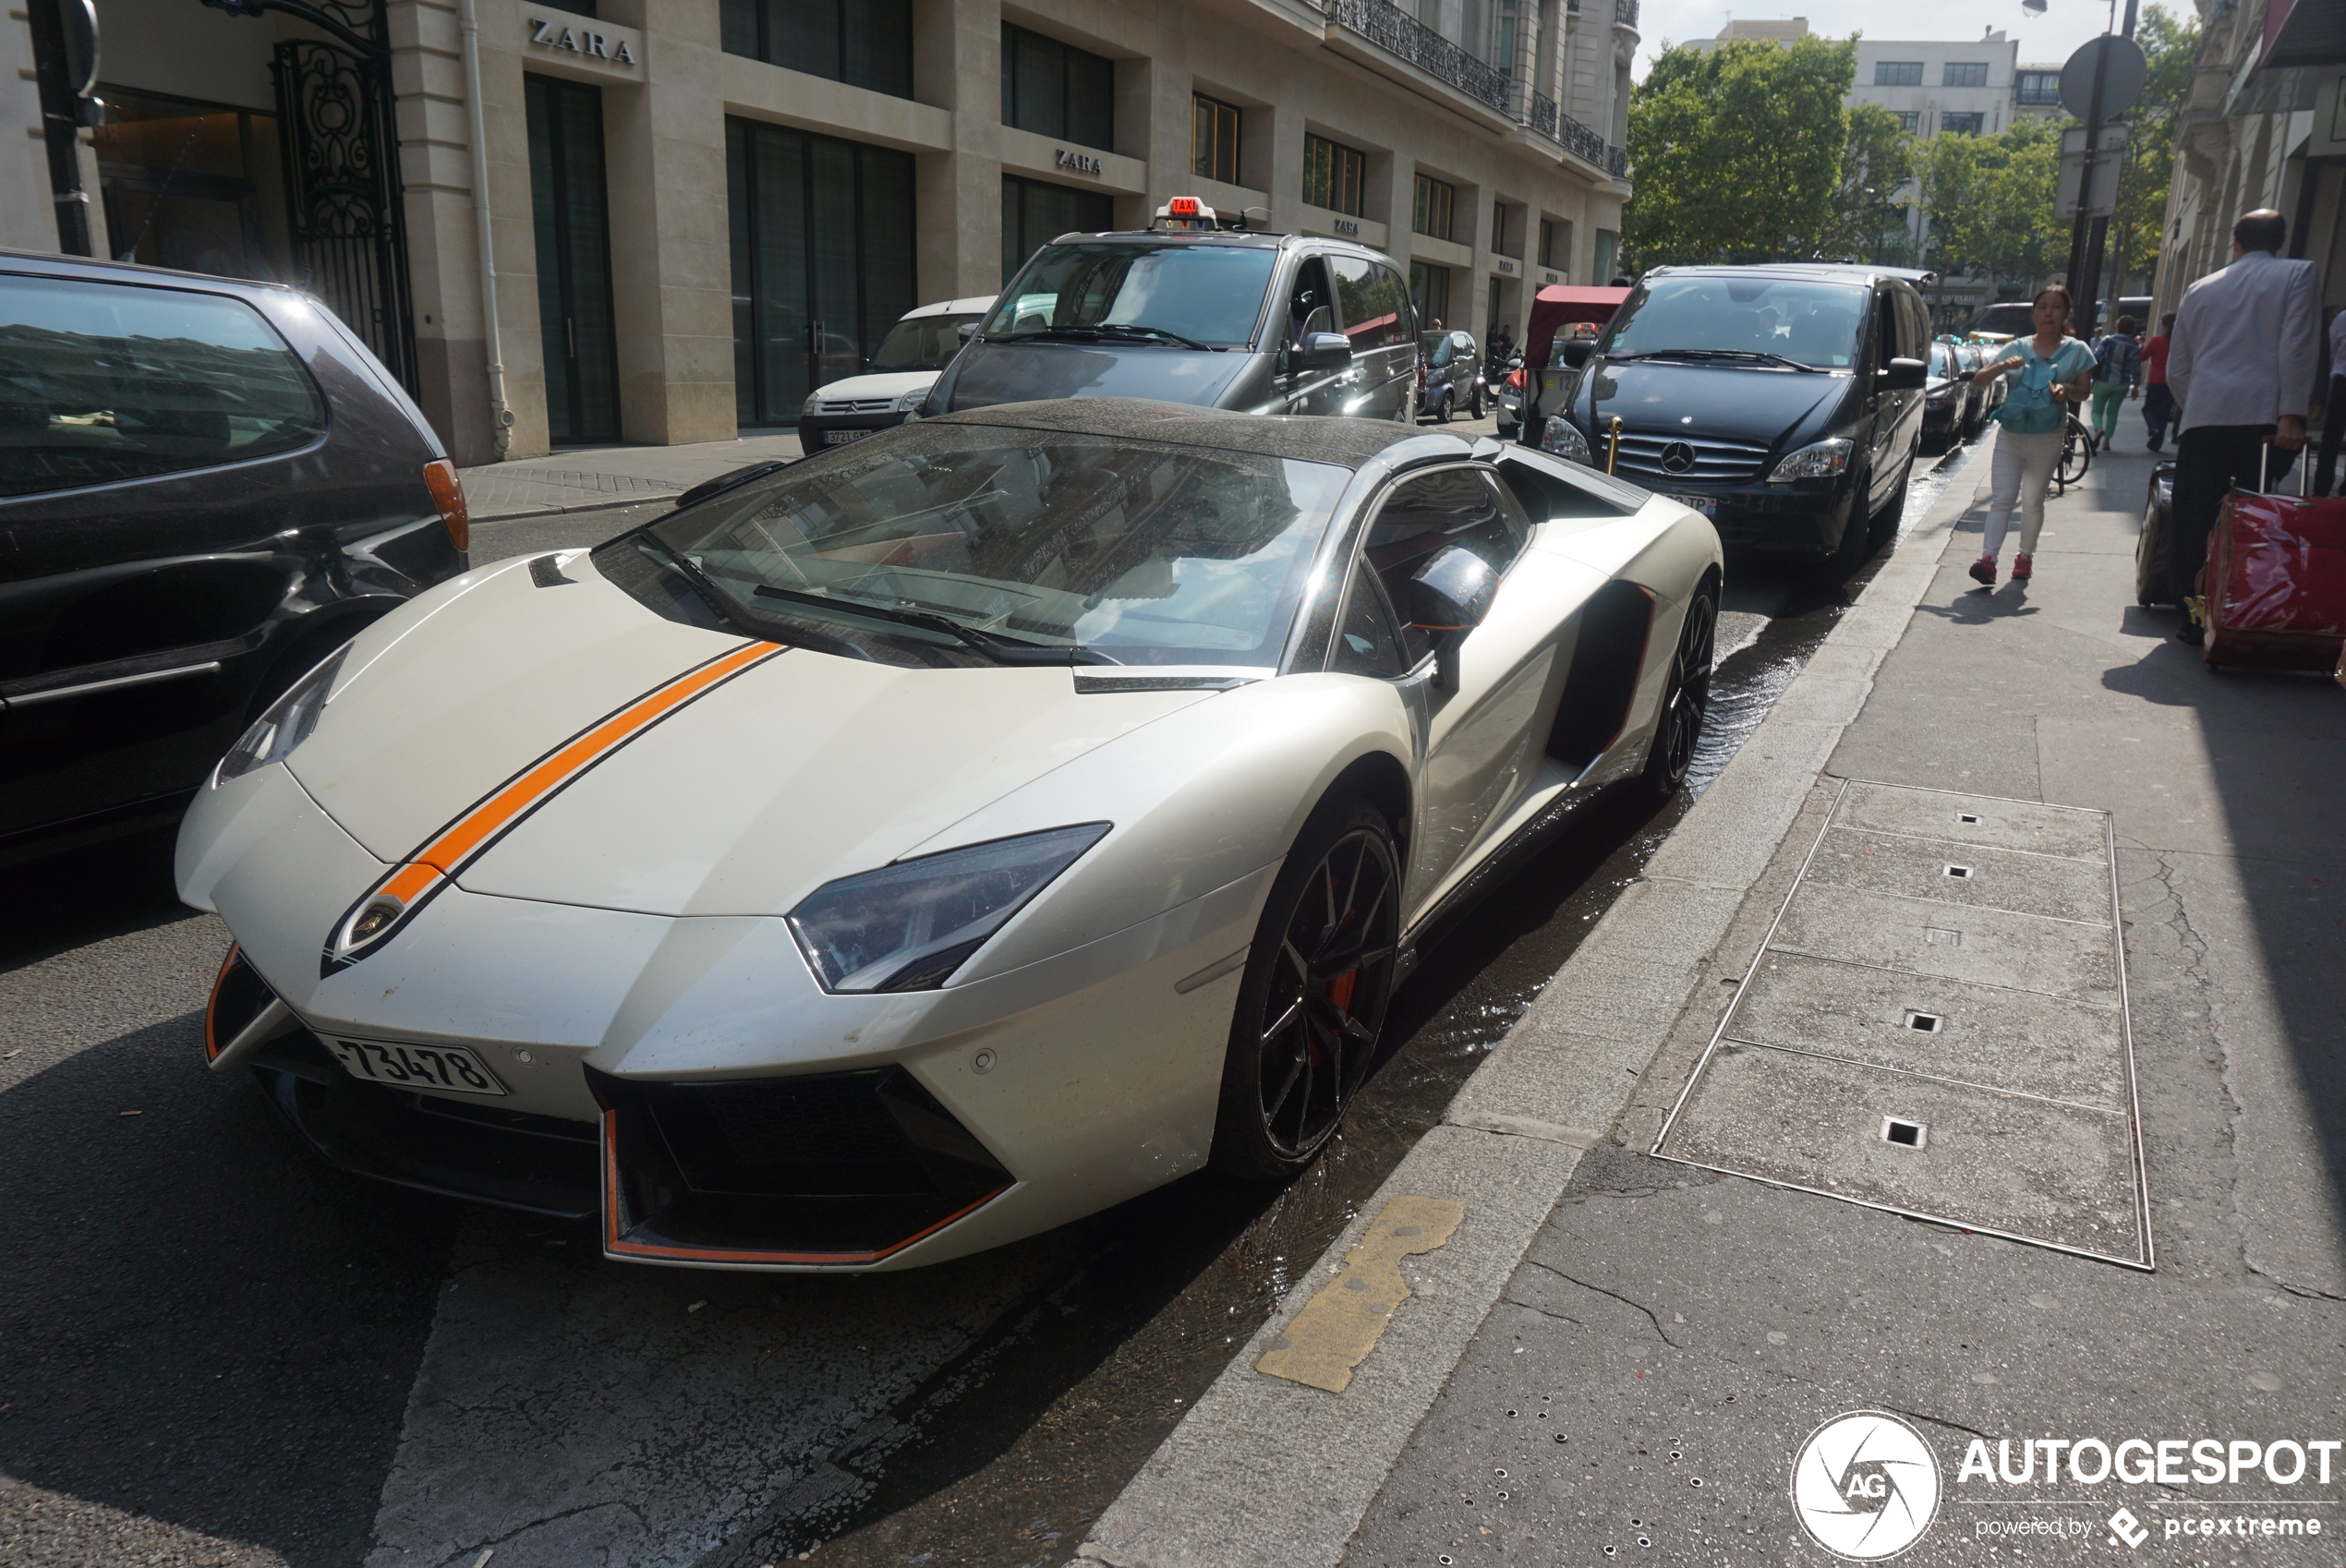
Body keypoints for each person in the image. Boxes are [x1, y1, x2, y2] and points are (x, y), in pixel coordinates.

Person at [2166, 209, 2320, 644]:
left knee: (2194, 517)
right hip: (2263, 418)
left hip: (2205, 416)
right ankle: (2251, 603)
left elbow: (2179, 368)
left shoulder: (2200, 288)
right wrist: (2291, 413)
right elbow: (2297, 345)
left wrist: (2197, 404)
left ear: (2235, 242)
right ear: (2280, 241)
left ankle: (2194, 613)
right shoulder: (2298, 274)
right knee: (2259, 515)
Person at [1967, 285, 2095, 586]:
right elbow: (1979, 380)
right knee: (2002, 499)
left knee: (2033, 500)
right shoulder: (2017, 347)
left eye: (2055, 307)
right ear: (2033, 312)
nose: (2048, 313)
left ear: (2066, 313)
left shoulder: (2077, 350)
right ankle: (1988, 561)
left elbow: (2085, 390)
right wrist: (2001, 366)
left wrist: (2068, 390)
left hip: (2048, 436)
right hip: (2011, 435)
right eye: (2042, 307)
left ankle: (2025, 556)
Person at [2089, 315, 2142, 452]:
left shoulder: (2108, 340)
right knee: (2113, 412)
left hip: (2103, 381)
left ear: (2117, 326)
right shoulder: (2135, 346)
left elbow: (2096, 357)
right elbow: (2135, 368)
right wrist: (2136, 386)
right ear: (2131, 330)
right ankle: (2107, 442)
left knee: (2096, 410)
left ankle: (2098, 428)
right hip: (2122, 384)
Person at [2317, 306, 2346, 496]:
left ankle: (2321, 487)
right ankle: (2322, 485)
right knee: (2331, 438)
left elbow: (2332, 348)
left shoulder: (2343, 317)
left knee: (2331, 439)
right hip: (2342, 381)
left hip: (2341, 380)